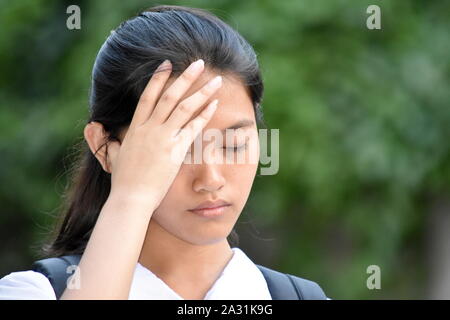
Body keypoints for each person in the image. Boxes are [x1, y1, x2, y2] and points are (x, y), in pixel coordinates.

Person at [0, 5, 327, 300]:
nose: (211, 179)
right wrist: (131, 198)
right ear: (103, 147)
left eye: (234, 145)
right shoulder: (36, 292)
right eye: (179, 148)